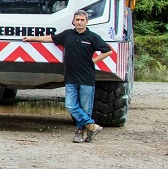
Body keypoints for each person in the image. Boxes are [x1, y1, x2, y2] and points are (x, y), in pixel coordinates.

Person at [23, 10, 114, 143]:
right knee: (71, 106)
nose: (79, 22)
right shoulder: (67, 35)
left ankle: (81, 132)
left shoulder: (92, 37)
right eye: (77, 20)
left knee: (85, 108)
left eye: (82, 20)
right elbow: (51, 38)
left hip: (87, 79)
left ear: (87, 22)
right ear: (73, 21)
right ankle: (92, 126)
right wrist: (32, 38)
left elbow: (108, 51)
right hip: (71, 78)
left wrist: (93, 61)